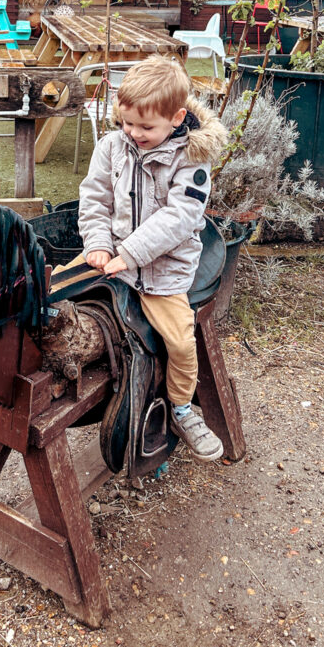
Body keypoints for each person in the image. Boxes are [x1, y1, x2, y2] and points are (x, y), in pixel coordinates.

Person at [78, 55, 228, 462]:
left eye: (146, 127)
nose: (134, 133)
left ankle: (180, 408)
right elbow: (94, 198)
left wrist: (130, 252)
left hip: (163, 273)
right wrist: (98, 242)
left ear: (177, 117)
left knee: (180, 343)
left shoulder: (191, 161)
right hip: (112, 261)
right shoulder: (112, 146)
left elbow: (179, 218)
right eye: (128, 122)